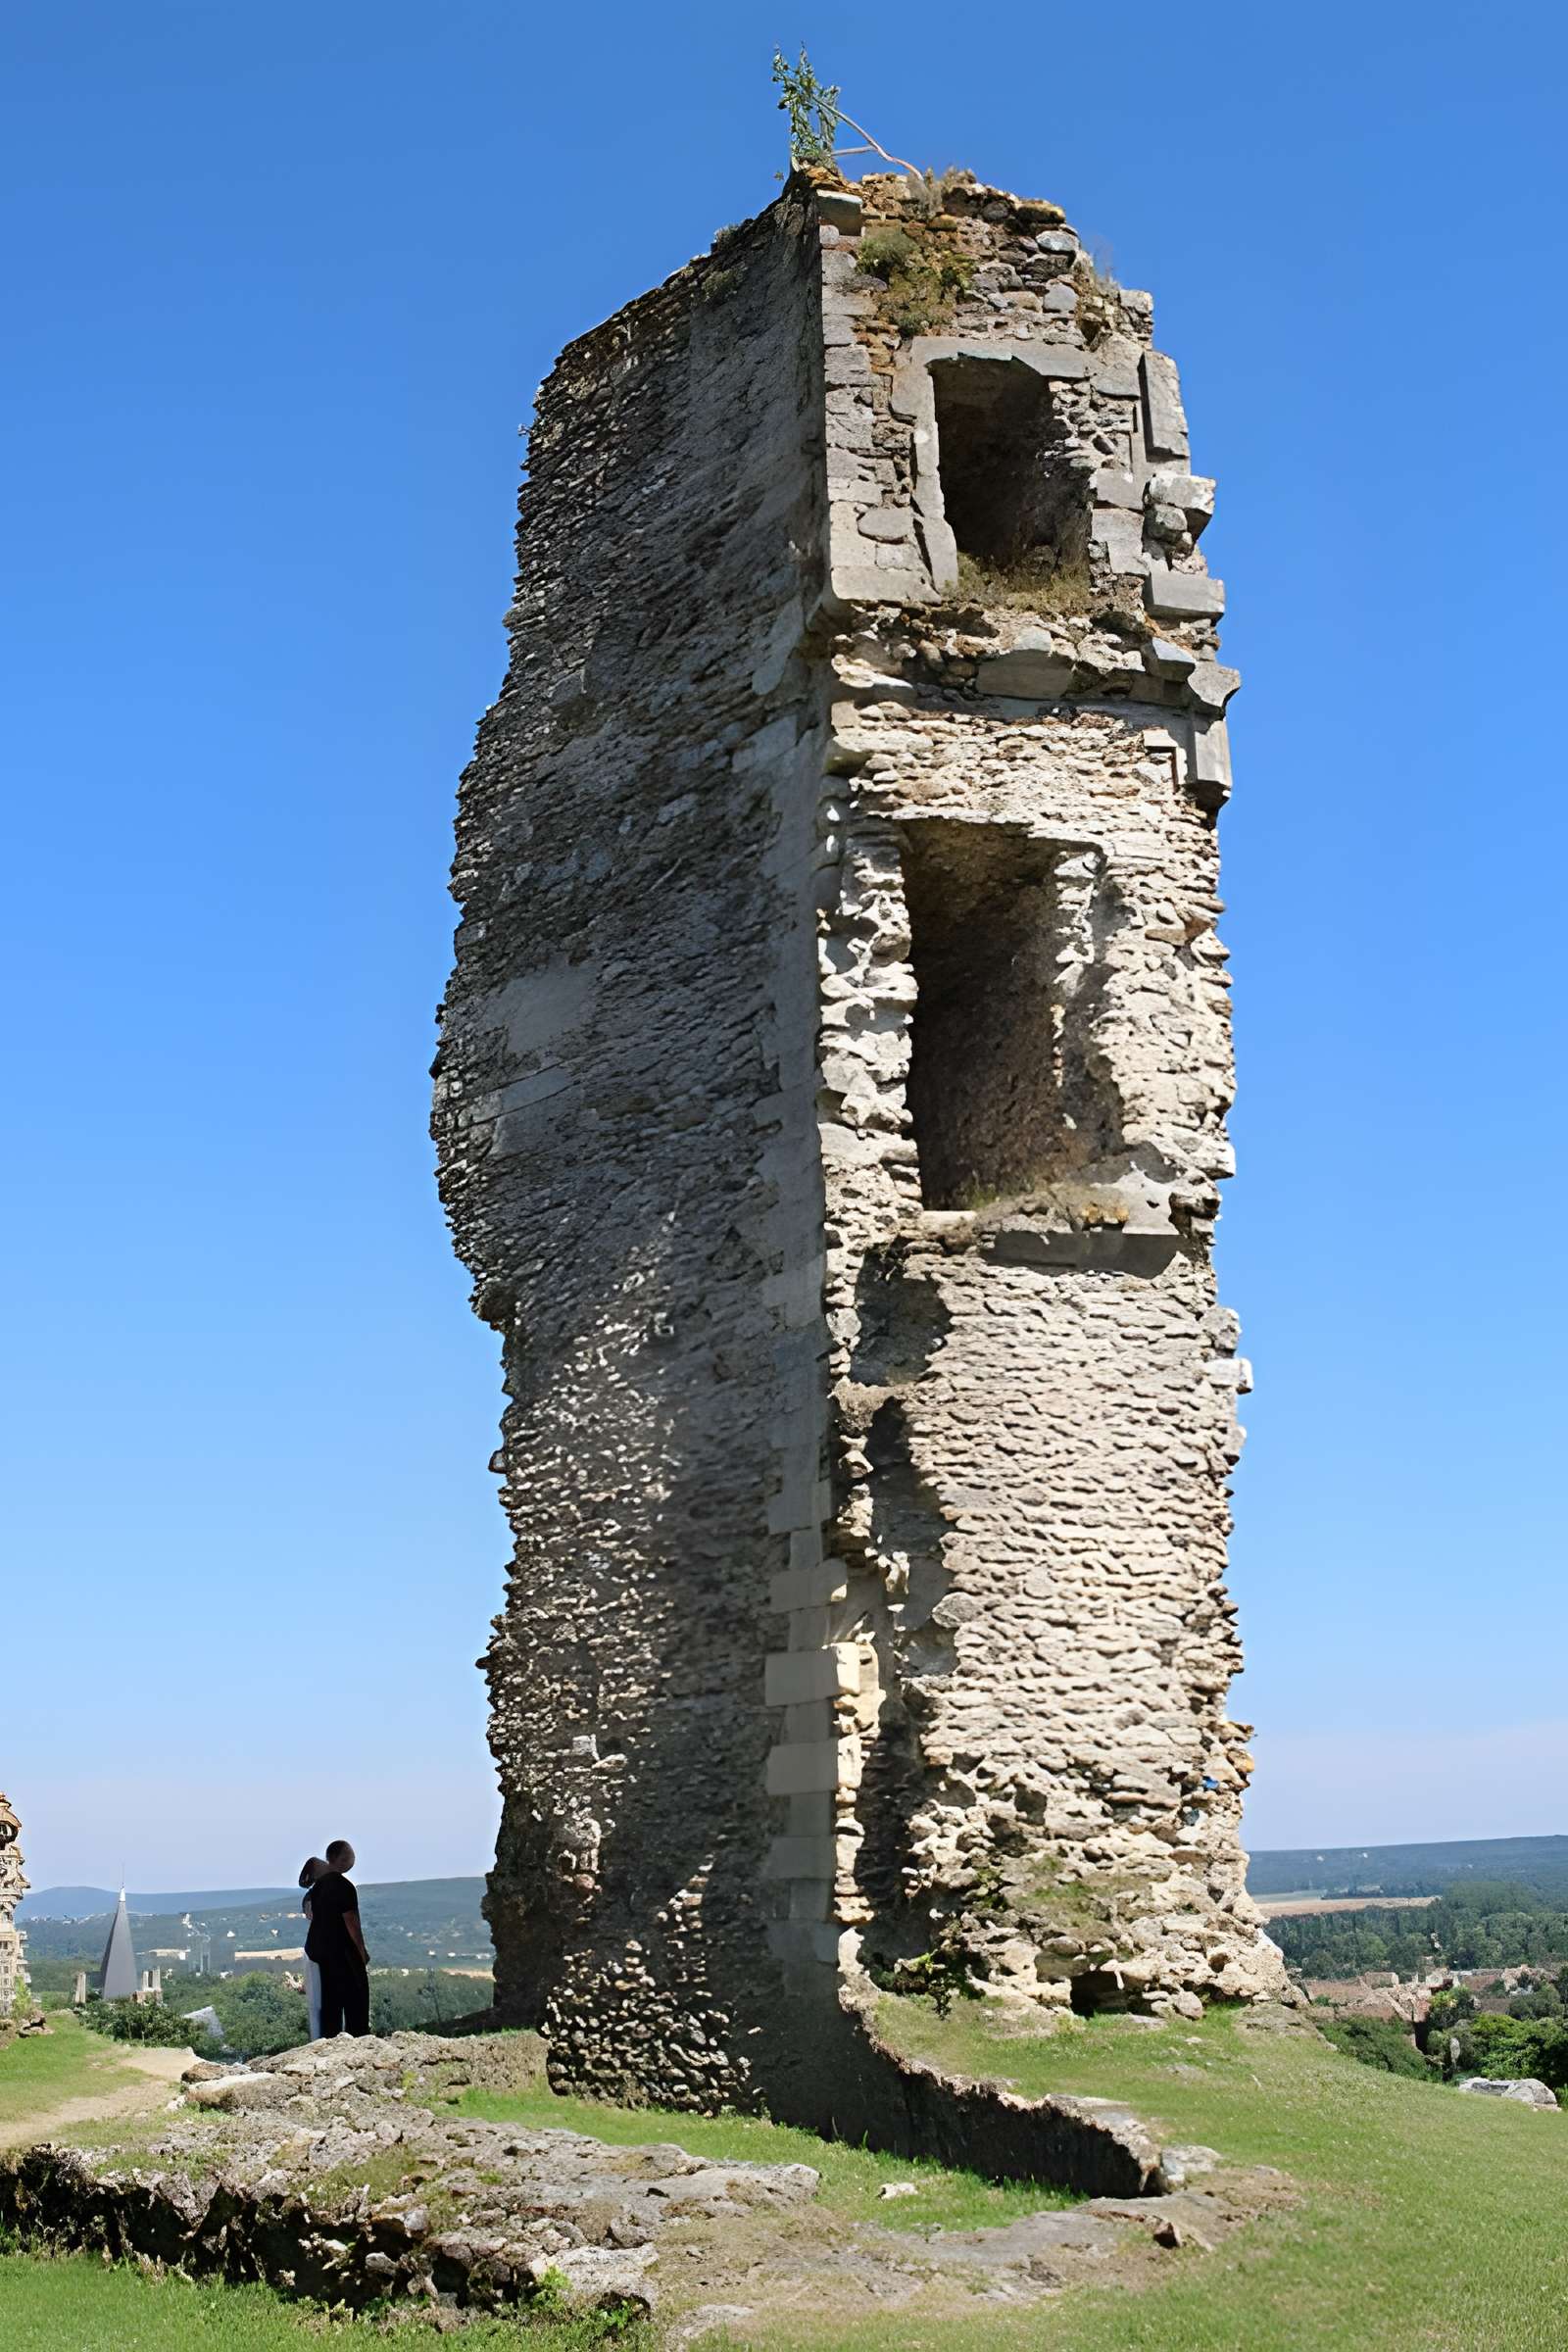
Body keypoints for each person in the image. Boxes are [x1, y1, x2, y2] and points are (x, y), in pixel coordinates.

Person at [306, 1838, 370, 2036]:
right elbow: (351, 1922)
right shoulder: (344, 1886)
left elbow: (311, 1913)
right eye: (349, 1855)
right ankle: (359, 2037)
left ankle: (330, 2038)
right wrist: (361, 1951)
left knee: (330, 2002)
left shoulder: (317, 1888)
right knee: (357, 1998)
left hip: (324, 1954)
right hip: (344, 1953)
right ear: (341, 1859)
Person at [297, 1856, 327, 2039]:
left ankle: (319, 2038)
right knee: (317, 2002)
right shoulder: (315, 1896)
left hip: (314, 1949)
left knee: (317, 2002)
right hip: (317, 1951)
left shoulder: (311, 1896)